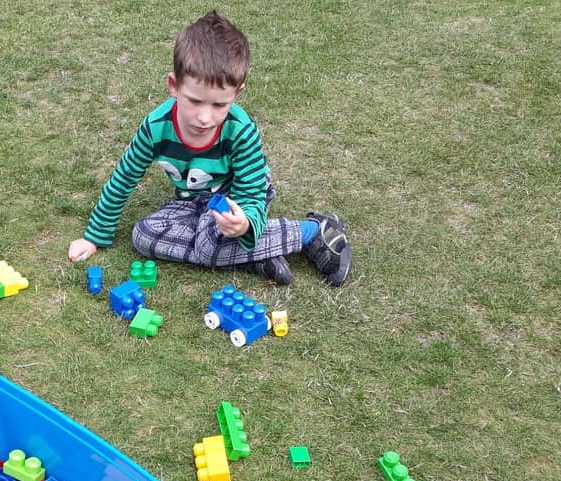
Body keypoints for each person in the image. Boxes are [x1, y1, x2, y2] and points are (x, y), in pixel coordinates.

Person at [67, 10, 352, 287]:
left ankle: (313, 232)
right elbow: (124, 178)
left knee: (207, 244)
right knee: (143, 235)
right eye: (195, 101)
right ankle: (250, 255)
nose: (205, 117)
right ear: (174, 85)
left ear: (237, 93)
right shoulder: (156, 127)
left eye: (219, 105)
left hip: (236, 198)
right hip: (192, 200)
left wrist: (244, 224)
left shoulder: (240, 130)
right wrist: (94, 236)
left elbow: (252, 193)